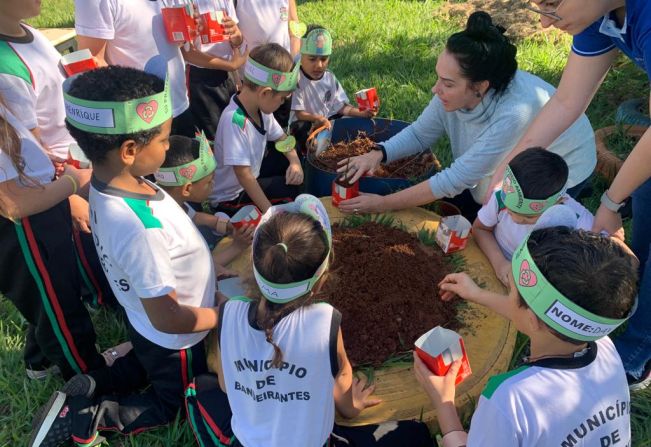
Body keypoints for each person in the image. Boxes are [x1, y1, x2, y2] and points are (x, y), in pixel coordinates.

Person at [29, 66, 220, 446]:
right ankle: (90, 419)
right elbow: (167, 317)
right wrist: (220, 313)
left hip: (146, 327)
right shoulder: (138, 229)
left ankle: (99, 380)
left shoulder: (111, 184)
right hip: (176, 337)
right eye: (164, 141)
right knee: (175, 402)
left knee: (147, 361)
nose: (168, 148)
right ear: (130, 150)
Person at [487, 0, 651, 390]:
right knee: (643, 213)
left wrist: (611, 202)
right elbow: (566, 101)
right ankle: (630, 303)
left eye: (552, 6)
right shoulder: (600, 12)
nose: (545, 22)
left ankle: (639, 348)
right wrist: (510, 166)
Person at [185, 194, 434, 447]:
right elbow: (342, 383)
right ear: (321, 280)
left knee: (198, 389)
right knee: (415, 434)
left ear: (253, 267)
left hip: (248, 440)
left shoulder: (228, 313)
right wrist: (352, 408)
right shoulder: (324, 322)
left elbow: (227, 387)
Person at [336, 12, 596, 220]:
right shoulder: (457, 90)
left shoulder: (513, 113)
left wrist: (383, 204)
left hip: (564, 158)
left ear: (480, 87)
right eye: (438, 78)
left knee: (502, 215)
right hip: (506, 146)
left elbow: (454, 179)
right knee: (477, 198)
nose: (435, 89)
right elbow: (420, 133)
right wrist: (377, 154)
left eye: (447, 84)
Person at [417, 227, 638, 447]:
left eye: (511, 292)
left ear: (532, 320)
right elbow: (537, 316)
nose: (509, 296)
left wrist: (444, 403)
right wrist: (478, 294)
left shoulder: (509, 400)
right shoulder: (602, 345)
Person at [0, 0, 116, 311]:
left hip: (77, 161)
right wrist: (69, 193)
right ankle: (94, 302)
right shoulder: (6, 67)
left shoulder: (28, 33)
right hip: (62, 177)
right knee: (82, 254)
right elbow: (28, 148)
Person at [0, 95, 110, 384]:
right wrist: (72, 183)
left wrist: (48, 169)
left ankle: (41, 361)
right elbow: (12, 203)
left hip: (38, 211)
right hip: (23, 226)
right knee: (57, 304)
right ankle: (88, 376)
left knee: (46, 294)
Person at [74, 0, 198, 137]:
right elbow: (91, 63)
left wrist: (189, 27)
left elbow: (174, 42)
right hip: (141, 120)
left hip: (179, 104)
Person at [475, 148, 593, 286]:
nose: (516, 220)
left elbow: (608, 253)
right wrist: (500, 263)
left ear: (559, 202)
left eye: (528, 217)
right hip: (493, 261)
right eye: (510, 211)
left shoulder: (577, 222)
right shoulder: (500, 199)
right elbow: (480, 229)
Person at [210, 43, 303, 215]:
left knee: (291, 157)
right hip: (231, 198)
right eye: (282, 99)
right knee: (288, 194)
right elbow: (244, 176)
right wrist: (269, 211)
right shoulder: (235, 121)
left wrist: (295, 162)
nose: (282, 103)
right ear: (265, 93)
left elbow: (282, 139)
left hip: (252, 177)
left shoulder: (260, 109)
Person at [154, 133, 253, 265]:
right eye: (209, 181)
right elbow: (200, 269)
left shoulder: (169, 196)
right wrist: (237, 247)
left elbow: (196, 217)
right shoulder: (172, 229)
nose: (213, 184)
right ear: (187, 189)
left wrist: (228, 226)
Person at [290, 25, 378, 153]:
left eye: (324, 59)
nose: (319, 65)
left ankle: (336, 146)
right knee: (300, 129)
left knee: (355, 123)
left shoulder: (329, 78)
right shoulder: (297, 79)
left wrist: (361, 113)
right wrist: (318, 119)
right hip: (307, 122)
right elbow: (299, 113)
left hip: (326, 121)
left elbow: (340, 107)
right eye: (312, 59)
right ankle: (309, 154)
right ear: (302, 56)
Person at [183, 0, 248, 141]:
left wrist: (237, 37)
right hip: (202, 80)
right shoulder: (187, 3)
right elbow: (187, 52)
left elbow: (235, 40)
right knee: (211, 137)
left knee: (232, 130)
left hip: (228, 77)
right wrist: (230, 66)